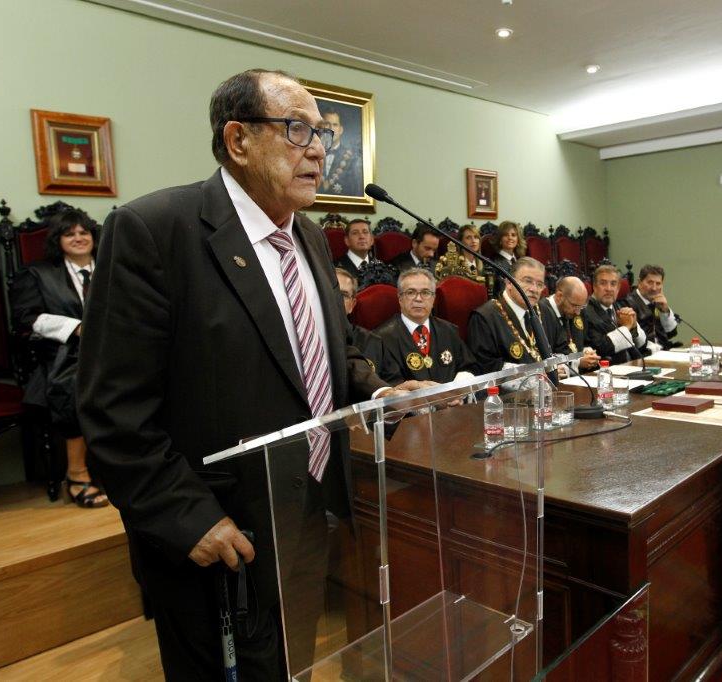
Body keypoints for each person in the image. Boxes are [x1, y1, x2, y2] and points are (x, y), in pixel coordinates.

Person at [77, 68, 421, 680]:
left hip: (309, 503)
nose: (318, 149)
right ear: (238, 140)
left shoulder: (310, 237)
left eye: (321, 133)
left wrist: (381, 391)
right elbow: (112, 411)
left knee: (291, 663)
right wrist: (189, 517)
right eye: (296, 130)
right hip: (217, 530)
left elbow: (329, 349)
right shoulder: (154, 231)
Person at [10, 209, 106, 508]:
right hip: (65, 355)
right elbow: (27, 318)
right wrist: (75, 327)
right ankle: (77, 475)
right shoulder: (39, 274)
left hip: (115, 350)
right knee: (78, 383)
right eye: (69, 234)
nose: (78, 238)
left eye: (84, 232)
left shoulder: (112, 267)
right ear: (59, 241)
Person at [375, 269, 477, 385]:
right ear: (400, 299)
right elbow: (390, 384)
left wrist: (460, 387)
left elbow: (469, 367)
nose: (418, 298)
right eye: (411, 292)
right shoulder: (382, 339)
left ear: (433, 299)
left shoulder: (449, 330)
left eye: (425, 293)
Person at [468, 257, 569, 374]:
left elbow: (562, 349)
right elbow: (487, 367)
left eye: (539, 284)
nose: (534, 289)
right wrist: (534, 374)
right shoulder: (485, 318)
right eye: (528, 281)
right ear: (509, 282)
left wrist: (561, 367)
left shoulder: (545, 311)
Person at [583, 264, 648, 364]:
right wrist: (626, 327)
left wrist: (634, 326)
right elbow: (599, 348)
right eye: (603, 283)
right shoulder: (586, 312)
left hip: (633, 366)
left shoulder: (620, 307)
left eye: (613, 284)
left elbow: (642, 346)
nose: (609, 288)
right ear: (594, 286)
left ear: (618, 288)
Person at [540, 276, 600, 371]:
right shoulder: (542, 312)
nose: (578, 312)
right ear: (559, 296)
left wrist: (587, 352)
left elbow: (579, 344)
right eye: (575, 306)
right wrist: (578, 362)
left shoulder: (573, 311)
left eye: (581, 307)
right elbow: (546, 358)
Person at [335, 267, 382, 372]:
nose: (336, 300)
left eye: (343, 295)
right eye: (331, 292)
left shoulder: (371, 342)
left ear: (352, 304)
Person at [625, 264, 680, 350]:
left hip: (662, 353)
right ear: (639, 283)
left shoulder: (658, 302)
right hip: (643, 355)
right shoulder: (627, 304)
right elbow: (634, 341)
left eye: (658, 284)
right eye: (650, 282)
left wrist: (665, 311)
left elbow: (671, 333)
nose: (654, 288)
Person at [318, 107, 363, 196]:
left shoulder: (352, 159)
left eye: (335, 125)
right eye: (327, 124)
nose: (331, 128)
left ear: (340, 130)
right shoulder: (312, 154)